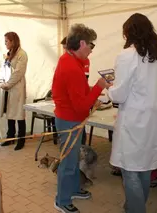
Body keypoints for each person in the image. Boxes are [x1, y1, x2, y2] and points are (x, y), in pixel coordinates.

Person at [107, 13, 157, 213]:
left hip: (134, 120)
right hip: (154, 119)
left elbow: (119, 95)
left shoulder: (128, 56)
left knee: (130, 171)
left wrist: (109, 88)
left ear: (129, 32)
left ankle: (135, 210)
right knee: (144, 168)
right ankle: (134, 207)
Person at [52, 23, 106, 213]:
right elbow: (81, 105)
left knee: (73, 158)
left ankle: (73, 189)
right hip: (70, 120)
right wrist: (98, 87)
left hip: (70, 118)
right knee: (68, 161)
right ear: (82, 43)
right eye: (91, 45)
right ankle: (62, 200)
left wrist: (93, 92)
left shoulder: (70, 61)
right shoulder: (71, 67)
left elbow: (80, 93)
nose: (92, 50)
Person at [0, 32, 28, 151]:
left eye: (6, 41)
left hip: (16, 89)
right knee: (9, 114)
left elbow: (18, 73)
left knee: (19, 115)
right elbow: (3, 68)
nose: (5, 43)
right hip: (7, 88)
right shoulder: (8, 54)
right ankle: (10, 137)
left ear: (13, 41)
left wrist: (8, 85)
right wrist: (1, 82)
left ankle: (21, 140)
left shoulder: (22, 54)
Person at [61, 36, 91, 146]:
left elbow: (83, 81)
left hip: (77, 103)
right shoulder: (65, 60)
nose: (65, 51)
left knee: (79, 129)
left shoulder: (83, 60)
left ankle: (82, 144)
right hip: (69, 109)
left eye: (66, 48)